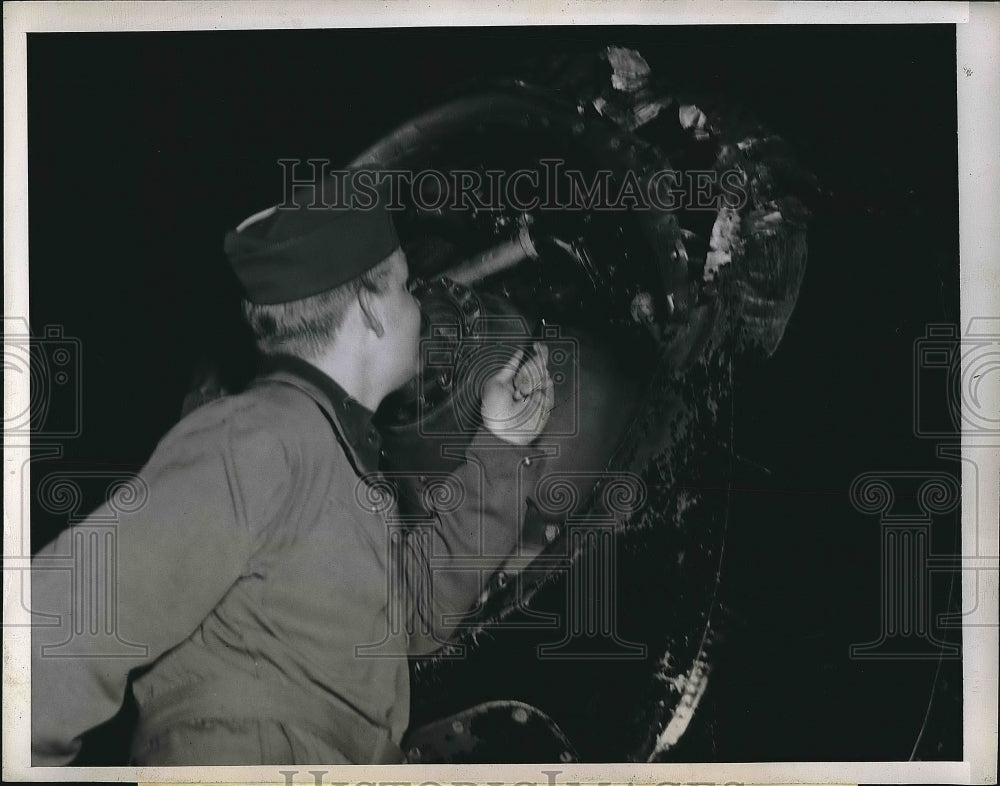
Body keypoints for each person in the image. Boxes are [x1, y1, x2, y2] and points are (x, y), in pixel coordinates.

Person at [30, 176, 555, 765]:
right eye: (406, 288)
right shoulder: (256, 435)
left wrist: (502, 443)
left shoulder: (332, 457)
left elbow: (410, 615)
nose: (420, 308)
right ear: (370, 310)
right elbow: (61, 622)